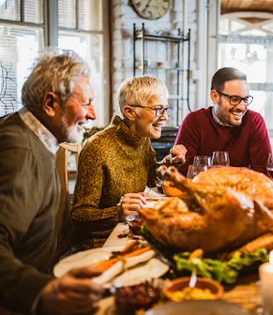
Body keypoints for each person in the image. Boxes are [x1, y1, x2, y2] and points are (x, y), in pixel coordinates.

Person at [0, 49, 104, 314]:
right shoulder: (21, 151)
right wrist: (43, 290)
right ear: (50, 104)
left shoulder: (31, 136)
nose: (92, 114)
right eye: (86, 102)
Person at [67, 76, 187, 251]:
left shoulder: (141, 139)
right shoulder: (98, 148)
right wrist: (116, 213)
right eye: (157, 109)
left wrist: (172, 161)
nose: (164, 117)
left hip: (128, 231)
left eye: (165, 109)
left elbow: (150, 175)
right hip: (99, 243)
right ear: (130, 112)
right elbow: (79, 216)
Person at [174, 67, 272, 175]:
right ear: (214, 97)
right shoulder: (194, 121)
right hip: (203, 191)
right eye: (234, 99)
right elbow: (182, 171)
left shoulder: (254, 122)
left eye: (245, 100)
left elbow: (264, 173)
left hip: (241, 192)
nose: (242, 107)